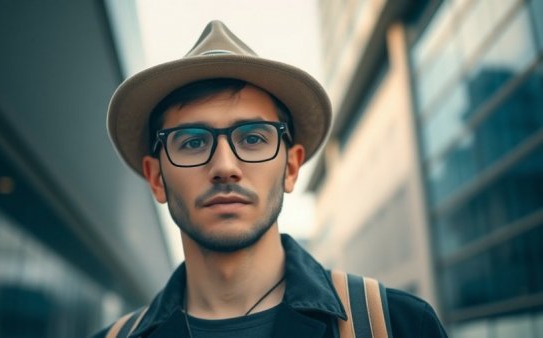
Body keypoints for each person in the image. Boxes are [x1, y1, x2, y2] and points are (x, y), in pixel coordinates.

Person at [93, 20, 447, 338]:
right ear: (156, 178)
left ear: (291, 168)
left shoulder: (400, 326)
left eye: (252, 138)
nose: (225, 166)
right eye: (193, 142)